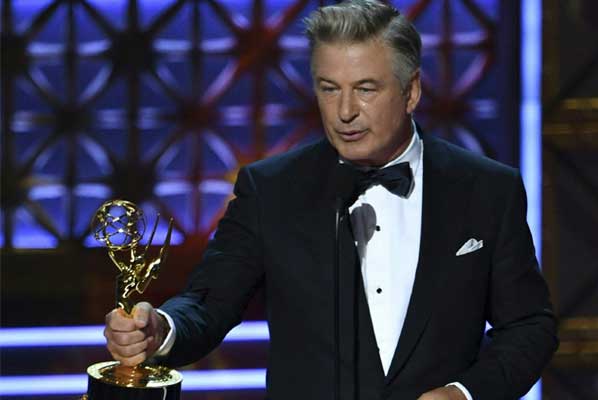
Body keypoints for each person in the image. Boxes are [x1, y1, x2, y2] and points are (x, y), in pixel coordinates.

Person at [103, 1, 558, 399]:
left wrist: (466, 394)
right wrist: (161, 329)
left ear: (411, 91)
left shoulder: (486, 189)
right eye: (329, 88)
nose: (344, 112)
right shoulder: (272, 190)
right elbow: (209, 303)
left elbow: (529, 327)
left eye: (365, 89)